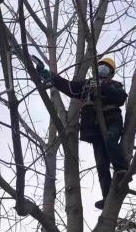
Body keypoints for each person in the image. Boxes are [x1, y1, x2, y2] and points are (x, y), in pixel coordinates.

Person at [40, 57, 129, 209]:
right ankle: (107, 197)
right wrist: (50, 75)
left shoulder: (114, 85)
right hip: (94, 128)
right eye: (101, 65)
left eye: (106, 67)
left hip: (112, 121)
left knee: (110, 139)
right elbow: (69, 87)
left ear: (111, 72)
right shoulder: (87, 85)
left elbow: (120, 98)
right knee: (101, 164)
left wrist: (102, 88)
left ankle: (122, 170)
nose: (102, 68)